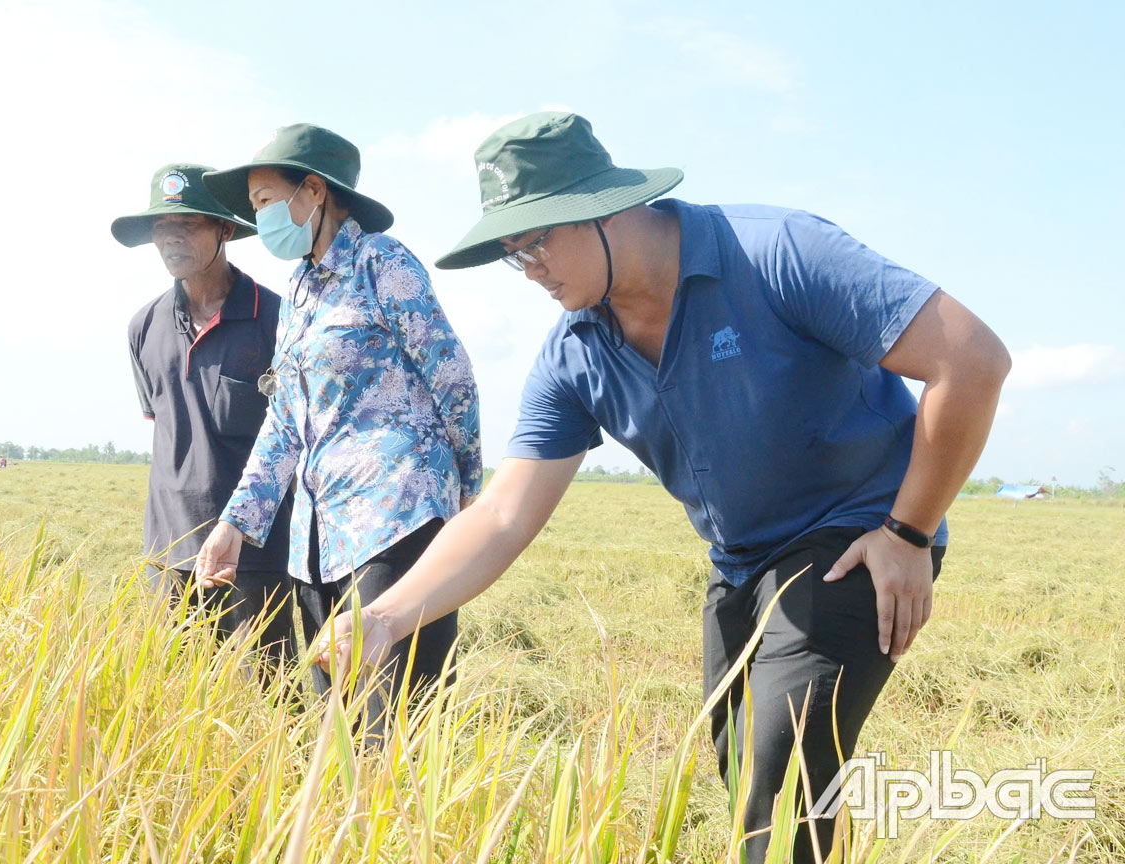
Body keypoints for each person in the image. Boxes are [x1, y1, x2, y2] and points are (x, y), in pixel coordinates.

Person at [314, 113, 1011, 863]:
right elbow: (505, 513)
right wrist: (385, 618)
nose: (534, 269)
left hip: (856, 536)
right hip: (742, 562)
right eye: (516, 255)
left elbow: (971, 360)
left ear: (606, 206)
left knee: (779, 783)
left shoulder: (775, 253)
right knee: (747, 770)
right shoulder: (574, 354)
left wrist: (909, 533)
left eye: (540, 239)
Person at [193, 124, 483, 734]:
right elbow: (284, 422)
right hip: (319, 539)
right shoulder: (299, 290)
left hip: (397, 522)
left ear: (314, 193)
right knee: (338, 730)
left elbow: (451, 374)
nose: (261, 217)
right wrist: (235, 525)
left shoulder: (383, 262)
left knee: (396, 726)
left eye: (266, 200)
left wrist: (463, 488)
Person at [112, 162, 296, 668]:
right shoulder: (143, 327)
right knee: (171, 695)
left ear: (225, 229)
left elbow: (295, 439)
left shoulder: (279, 321)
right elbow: (165, 426)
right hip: (167, 553)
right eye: (161, 227)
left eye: (188, 224)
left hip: (253, 556)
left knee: (269, 699)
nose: (172, 239)